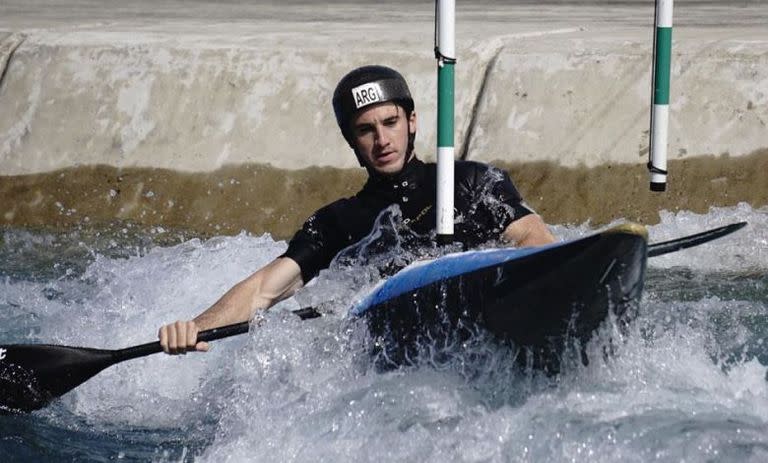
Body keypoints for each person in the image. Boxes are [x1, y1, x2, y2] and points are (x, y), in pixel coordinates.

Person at [158, 65, 555, 354]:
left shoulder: (470, 181)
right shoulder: (338, 222)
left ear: (412, 121)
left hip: (488, 317)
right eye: (366, 130)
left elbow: (533, 237)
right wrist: (194, 327)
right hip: (404, 351)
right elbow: (264, 289)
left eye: (390, 122)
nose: (382, 139)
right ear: (351, 140)